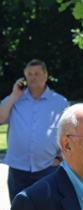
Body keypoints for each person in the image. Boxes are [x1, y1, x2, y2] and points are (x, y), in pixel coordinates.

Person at [0, 59, 69, 202]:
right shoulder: (14, 99)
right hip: (18, 168)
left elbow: (69, 133)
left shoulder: (60, 102)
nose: (33, 77)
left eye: (37, 73)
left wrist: (59, 157)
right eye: (29, 74)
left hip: (48, 167)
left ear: (46, 75)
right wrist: (14, 95)